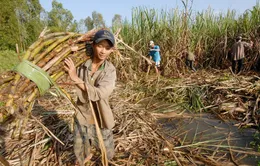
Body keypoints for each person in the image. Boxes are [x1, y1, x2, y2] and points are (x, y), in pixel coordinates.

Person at [64, 29, 116, 165]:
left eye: (107, 48)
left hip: (101, 115)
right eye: (100, 46)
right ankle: (84, 158)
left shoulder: (110, 70)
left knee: (108, 153)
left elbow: (100, 94)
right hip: (83, 113)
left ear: (112, 50)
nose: (103, 51)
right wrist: (71, 48)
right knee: (80, 149)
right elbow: (65, 61)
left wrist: (76, 78)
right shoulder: (82, 64)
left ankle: (100, 155)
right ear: (93, 45)